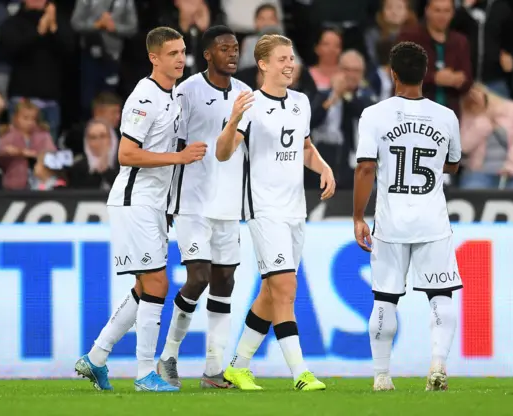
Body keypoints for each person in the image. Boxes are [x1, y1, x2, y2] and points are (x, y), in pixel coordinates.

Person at [74, 26, 207, 393]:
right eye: (172, 53)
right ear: (154, 57)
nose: (180, 58)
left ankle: (97, 357)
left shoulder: (172, 95)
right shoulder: (144, 98)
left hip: (152, 204)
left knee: (144, 286)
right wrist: (178, 157)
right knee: (157, 283)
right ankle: (145, 373)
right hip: (134, 201)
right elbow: (126, 154)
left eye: (182, 52)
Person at [215, 34, 336, 391]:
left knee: (271, 293)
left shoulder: (301, 102)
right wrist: (232, 119)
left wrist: (323, 167)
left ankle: (237, 367)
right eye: (282, 59)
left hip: (295, 210)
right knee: (285, 286)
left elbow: (305, 147)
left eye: (292, 58)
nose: (289, 65)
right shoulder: (249, 106)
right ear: (263, 64)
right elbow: (223, 154)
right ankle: (300, 372)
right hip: (264, 210)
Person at [353, 41, 462, 392]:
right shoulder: (446, 116)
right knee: (441, 295)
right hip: (432, 220)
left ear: (392, 73)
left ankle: (382, 376)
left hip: (391, 222)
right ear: (426, 74)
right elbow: (454, 164)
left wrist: (357, 216)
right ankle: (438, 366)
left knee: (385, 298)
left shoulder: (374, 114)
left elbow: (366, 167)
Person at [156, 25, 251, 389]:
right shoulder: (187, 91)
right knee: (199, 277)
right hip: (191, 202)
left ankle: (213, 369)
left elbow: (236, 148)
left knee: (225, 281)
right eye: (224, 48)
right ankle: (169, 356)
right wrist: (166, 199)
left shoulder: (245, 94)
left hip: (228, 204)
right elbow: (171, 144)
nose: (232, 53)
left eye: (235, 47)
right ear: (208, 54)